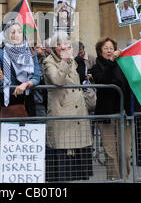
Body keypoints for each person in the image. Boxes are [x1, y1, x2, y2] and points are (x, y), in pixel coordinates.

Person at [0, 20, 41, 182]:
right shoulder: (0, 54)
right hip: (6, 103)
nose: (15, 34)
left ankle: (26, 177)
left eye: (18, 31)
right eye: (12, 32)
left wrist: (25, 84)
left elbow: (37, 77)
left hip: (26, 101)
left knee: (24, 143)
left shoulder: (31, 53)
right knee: (4, 143)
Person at [43, 31, 93, 181]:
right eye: (59, 44)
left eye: (66, 43)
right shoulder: (48, 62)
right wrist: (65, 61)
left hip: (78, 114)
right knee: (63, 162)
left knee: (78, 166)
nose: (63, 47)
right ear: (54, 46)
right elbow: (57, 80)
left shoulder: (72, 61)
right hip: (62, 115)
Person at [90, 37, 138, 180]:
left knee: (125, 152)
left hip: (123, 114)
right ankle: (114, 180)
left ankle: (125, 179)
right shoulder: (96, 67)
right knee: (111, 153)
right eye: (106, 48)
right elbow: (103, 79)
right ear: (100, 51)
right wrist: (111, 62)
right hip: (106, 115)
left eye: (111, 48)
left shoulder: (121, 65)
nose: (109, 51)